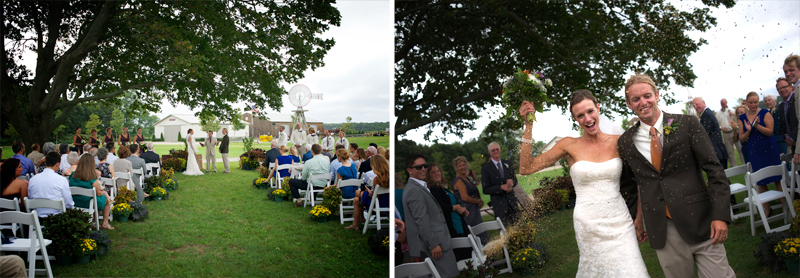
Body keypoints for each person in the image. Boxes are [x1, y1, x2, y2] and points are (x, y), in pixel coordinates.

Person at [519, 89, 650, 277]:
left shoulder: (619, 142)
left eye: (590, 111)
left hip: (621, 222)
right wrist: (529, 125)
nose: (587, 119)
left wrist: (639, 218)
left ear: (598, 108)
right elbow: (526, 168)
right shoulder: (568, 145)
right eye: (580, 115)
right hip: (587, 223)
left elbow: (641, 180)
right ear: (575, 119)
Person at [616, 74, 733, 277]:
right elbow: (628, 185)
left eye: (647, 96)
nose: (643, 102)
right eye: (636, 99)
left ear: (657, 95)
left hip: (702, 221)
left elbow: (715, 170)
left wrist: (720, 215)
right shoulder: (626, 141)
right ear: (629, 104)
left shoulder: (687, 124)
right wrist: (637, 217)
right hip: (662, 228)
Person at [402, 154, 458, 278]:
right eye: (419, 167)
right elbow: (421, 220)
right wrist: (433, 244)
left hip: (438, 242)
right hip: (436, 244)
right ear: (409, 170)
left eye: (425, 166)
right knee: (449, 274)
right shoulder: (414, 190)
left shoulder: (418, 186)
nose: (423, 169)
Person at [739, 91, 783, 216]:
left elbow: (769, 132)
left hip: (769, 148)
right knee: (760, 181)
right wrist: (748, 131)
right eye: (751, 102)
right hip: (755, 151)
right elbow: (742, 138)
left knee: (777, 178)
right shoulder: (742, 118)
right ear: (747, 103)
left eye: (756, 102)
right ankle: (767, 209)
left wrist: (757, 125)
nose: (753, 105)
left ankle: (784, 206)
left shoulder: (765, 113)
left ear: (758, 102)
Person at [426, 163, 471, 260]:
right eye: (433, 172)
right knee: (462, 255)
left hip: (458, 223)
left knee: (467, 251)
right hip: (451, 226)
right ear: (428, 176)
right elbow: (440, 207)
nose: (437, 173)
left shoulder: (440, 188)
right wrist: (455, 207)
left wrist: (460, 209)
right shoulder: (433, 190)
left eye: (438, 171)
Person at [69, 155, 115, 230]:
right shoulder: (91, 178)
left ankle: (95, 222)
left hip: (75, 202)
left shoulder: (73, 175)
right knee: (105, 199)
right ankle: (105, 223)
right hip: (88, 203)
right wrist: (104, 193)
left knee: (97, 198)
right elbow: (98, 193)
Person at [347, 155, 391, 232]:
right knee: (357, 197)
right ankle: (358, 221)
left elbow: (375, 196)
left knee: (357, 196)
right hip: (388, 202)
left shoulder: (377, 179)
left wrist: (369, 191)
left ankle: (356, 223)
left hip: (379, 204)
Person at [480, 142, 518, 224]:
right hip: (499, 206)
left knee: (519, 226)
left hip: (512, 202)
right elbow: (485, 189)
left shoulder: (508, 163)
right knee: (505, 229)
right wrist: (500, 187)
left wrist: (512, 183)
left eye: (497, 149)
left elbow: (515, 180)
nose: (495, 151)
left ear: (500, 150)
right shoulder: (486, 169)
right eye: (493, 150)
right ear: (489, 152)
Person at [28, 152, 75, 217]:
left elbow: (30, 198)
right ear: (57, 164)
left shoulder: (33, 179)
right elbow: (69, 203)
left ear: (45, 163)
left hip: (36, 217)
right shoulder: (61, 180)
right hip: (57, 218)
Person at [451, 156, 484, 240]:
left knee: (480, 231)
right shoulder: (458, 180)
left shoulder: (466, 178)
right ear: (456, 168)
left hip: (474, 209)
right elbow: (465, 197)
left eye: (464, 164)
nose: (463, 167)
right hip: (468, 211)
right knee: (476, 234)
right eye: (460, 166)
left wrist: (478, 200)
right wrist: (477, 201)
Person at [692, 97, 729, 168]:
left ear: (703, 103)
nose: (695, 107)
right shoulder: (707, 113)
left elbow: (703, 134)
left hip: (716, 152)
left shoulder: (707, 115)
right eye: (694, 106)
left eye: (697, 104)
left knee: (720, 174)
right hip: (718, 152)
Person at [777, 77, 797, 155]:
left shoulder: (797, 99)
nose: (782, 90)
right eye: (779, 88)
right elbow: (782, 126)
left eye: (784, 87)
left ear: (791, 87)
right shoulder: (780, 107)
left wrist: (792, 137)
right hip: (793, 145)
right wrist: (786, 138)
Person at [716, 99, 738, 167]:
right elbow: (717, 123)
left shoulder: (732, 110)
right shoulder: (718, 113)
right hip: (726, 133)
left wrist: (733, 115)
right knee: (730, 151)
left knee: (739, 148)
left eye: (724, 103)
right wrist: (721, 128)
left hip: (734, 131)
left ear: (726, 103)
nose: (723, 104)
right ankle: (733, 166)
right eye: (722, 103)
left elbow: (737, 119)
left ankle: (744, 164)